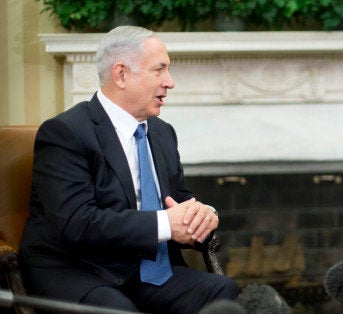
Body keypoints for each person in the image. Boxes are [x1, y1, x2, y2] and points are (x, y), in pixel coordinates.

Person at [19, 26, 238, 313]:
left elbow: (180, 200)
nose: (170, 82)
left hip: (144, 270)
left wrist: (204, 214)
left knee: (221, 291)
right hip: (78, 271)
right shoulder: (65, 133)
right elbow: (77, 222)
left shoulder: (162, 133)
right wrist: (165, 224)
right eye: (159, 70)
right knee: (117, 309)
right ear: (121, 74)